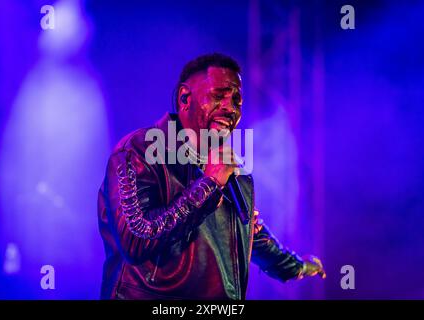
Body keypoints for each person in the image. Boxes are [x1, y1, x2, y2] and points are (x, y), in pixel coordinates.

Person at [97, 53, 325, 300]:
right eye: (219, 96)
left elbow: (252, 236)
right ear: (185, 98)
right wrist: (210, 184)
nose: (230, 108)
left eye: (237, 100)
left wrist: (298, 266)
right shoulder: (139, 151)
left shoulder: (232, 173)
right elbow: (136, 240)